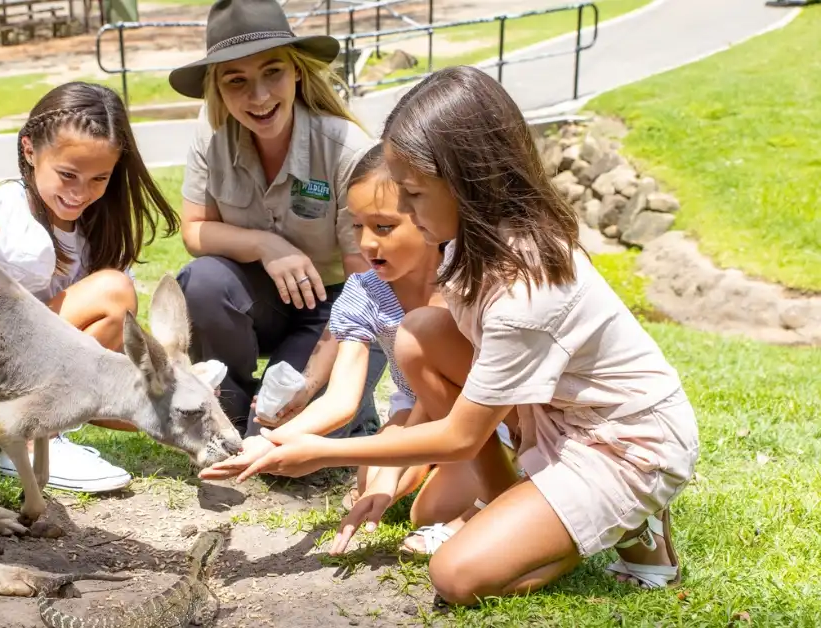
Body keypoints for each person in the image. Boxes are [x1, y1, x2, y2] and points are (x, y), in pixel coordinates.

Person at [233, 66, 700, 604]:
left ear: (465, 181)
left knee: (456, 576)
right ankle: (526, 508)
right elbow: (441, 391)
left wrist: (324, 452)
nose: (404, 212)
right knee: (417, 335)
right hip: (545, 416)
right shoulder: (463, 241)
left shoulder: (526, 287)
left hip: (621, 441)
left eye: (412, 195)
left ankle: (624, 522)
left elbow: (459, 437)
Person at [198, 143, 519, 553]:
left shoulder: (455, 279)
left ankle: (510, 475)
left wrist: (390, 467)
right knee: (375, 484)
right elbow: (341, 400)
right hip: (415, 411)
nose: (366, 244)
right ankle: (443, 477)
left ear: (424, 221)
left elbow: (433, 399)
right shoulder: (364, 290)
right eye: (356, 227)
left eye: (383, 228)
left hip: (482, 413)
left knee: (424, 510)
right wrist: (267, 442)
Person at [0, 81, 180, 494]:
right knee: (113, 292)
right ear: (30, 150)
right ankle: (25, 442)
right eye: (67, 175)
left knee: (152, 393)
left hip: (14, 380)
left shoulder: (96, 231)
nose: (80, 193)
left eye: (99, 178)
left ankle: (44, 433)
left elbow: (106, 360)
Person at [168, 0, 388, 447]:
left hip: (337, 308)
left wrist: (310, 381)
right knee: (202, 282)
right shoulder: (210, 135)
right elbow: (194, 230)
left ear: (297, 72)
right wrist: (267, 246)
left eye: (273, 73)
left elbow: (368, 285)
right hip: (259, 299)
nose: (260, 96)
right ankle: (231, 401)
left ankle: (347, 404)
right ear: (218, 90)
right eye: (237, 81)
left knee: (278, 442)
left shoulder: (347, 149)